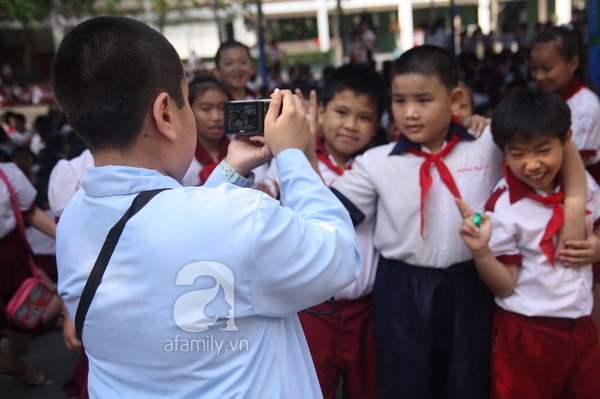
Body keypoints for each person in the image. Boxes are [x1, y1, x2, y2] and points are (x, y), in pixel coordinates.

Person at [51, 15, 360, 399]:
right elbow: (339, 256)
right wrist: (294, 155)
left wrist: (230, 171)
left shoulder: (75, 218)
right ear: (166, 113)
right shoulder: (238, 217)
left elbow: (176, 230)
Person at [329, 45, 588, 398]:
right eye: (399, 101)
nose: (410, 113)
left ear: (454, 98)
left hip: (472, 283)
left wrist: (574, 208)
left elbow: (560, 142)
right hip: (402, 290)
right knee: (404, 382)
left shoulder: (489, 143)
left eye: (423, 99)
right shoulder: (375, 162)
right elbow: (325, 211)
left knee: (469, 381)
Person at [457, 89, 600, 398]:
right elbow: (506, 286)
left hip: (581, 326)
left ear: (566, 140)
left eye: (543, 149)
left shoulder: (585, 185)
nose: (532, 164)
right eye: (517, 154)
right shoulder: (504, 204)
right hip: (528, 330)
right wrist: (481, 252)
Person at [264, 63, 386, 399]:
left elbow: (329, 208)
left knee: (368, 387)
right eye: (341, 112)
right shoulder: (286, 162)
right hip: (312, 309)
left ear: (378, 125)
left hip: (364, 310)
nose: (350, 125)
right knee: (314, 386)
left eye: (364, 117)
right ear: (320, 113)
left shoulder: (377, 166)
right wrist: (303, 146)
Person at [0, 162, 61, 387]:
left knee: (28, 313)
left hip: (12, 256)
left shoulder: (7, 175)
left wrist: (68, 236)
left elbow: (31, 213)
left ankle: (11, 360)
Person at [531, 25, 600, 181]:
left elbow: (573, 166)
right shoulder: (542, 97)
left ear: (573, 64)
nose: (539, 76)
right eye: (534, 69)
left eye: (547, 68)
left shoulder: (586, 107)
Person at [181, 76, 232, 186]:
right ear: (189, 110)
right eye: (206, 108)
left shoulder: (242, 150)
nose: (216, 117)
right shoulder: (180, 161)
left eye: (222, 108)